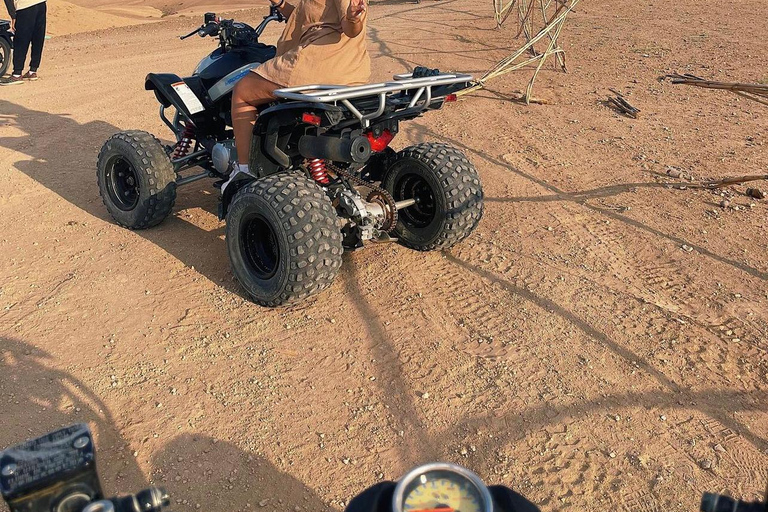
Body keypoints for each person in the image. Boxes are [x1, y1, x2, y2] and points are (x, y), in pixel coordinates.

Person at [230, 0, 370, 175]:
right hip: (353, 71)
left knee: (242, 91)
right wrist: (280, 3)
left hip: (317, 66)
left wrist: (352, 18)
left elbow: (350, 28)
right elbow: (310, 19)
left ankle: (244, 171)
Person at [1, 0, 46, 85]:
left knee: (21, 40)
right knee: (37, 37)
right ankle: (33, 71)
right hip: (41, 4)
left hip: (25, 7)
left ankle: (17, 74)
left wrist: (13, 16)